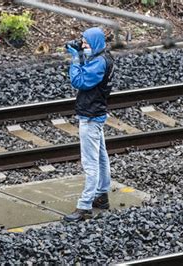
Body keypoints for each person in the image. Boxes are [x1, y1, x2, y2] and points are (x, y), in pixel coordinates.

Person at [63, 27, 115, 223]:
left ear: (94, 43)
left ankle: (84, 206)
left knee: (90, 163)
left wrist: (76, 59)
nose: (83, 45)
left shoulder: (99, 63)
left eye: (86, 42)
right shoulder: (104, 57)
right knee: (101, 157)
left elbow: (79, 80)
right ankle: (101, 195)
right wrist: (82, 55)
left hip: (90, 117)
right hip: (97, 114)